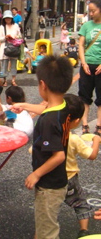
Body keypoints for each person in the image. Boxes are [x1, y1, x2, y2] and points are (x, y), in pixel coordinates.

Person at [24, 55, 73, 239]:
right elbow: (46, 109)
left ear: (43, 85)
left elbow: (58, 156)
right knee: (45, 224)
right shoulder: (63, 106)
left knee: (48, 231)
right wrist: (23, 105)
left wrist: (36, 174)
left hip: (48, 185)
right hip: (58, 179)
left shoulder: (48, 121)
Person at [63, 93, 101, 238]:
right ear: (77, 120)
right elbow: (91, 155)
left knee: (49, 207)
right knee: (80, 204)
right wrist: (96, 140)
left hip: (49, 179)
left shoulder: (49, 135)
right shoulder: (74, 139)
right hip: (69, 178)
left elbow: (33, 150)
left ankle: (45, 230)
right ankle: (83, 231)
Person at [78, 0, 101, 136]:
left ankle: (99, 125)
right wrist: (84, 62)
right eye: (89, 11)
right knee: (84, 97)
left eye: (93, 11)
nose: (91, 14)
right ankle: (85, 123)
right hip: (87, 66)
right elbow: (81, 45)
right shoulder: (86, 26)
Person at [0, 10, 21, 87]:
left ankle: (13, 80)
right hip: (5, 47)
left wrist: (15, 37)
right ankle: (5, 80)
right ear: (4, 19)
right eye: (6, 18)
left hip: (14, 47)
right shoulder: (2, 27)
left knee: (14, 64)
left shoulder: (16, 26)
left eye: (9, 18)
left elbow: (19, 36)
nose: (8, 19)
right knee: (4, 64)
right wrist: (5, 37)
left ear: (12, 18)